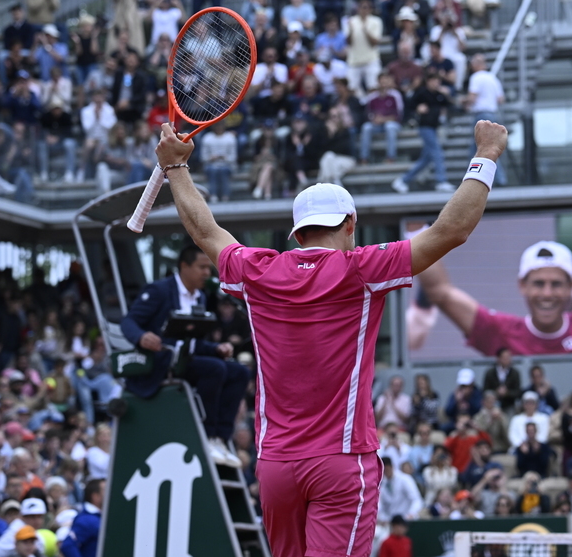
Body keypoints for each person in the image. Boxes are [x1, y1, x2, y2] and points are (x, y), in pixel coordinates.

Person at [152, 115, 507, 557]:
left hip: (276, 465)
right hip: (341, 460)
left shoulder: (259, 271)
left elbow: (206, 231)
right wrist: (486, 156)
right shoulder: (361, 268)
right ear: (351, 224)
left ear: (297, 232)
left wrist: (176, 169)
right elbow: (451, 231)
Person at [120, 245, 248, 466]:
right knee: (215, 369)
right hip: (162, 363)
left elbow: (193, 342)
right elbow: (128, 322)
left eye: (208, 268)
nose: (207, 273)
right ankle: (207, 435)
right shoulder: (159, 290)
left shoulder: (200, 297)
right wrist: (141, 337)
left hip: (187, 361)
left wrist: (216, 349)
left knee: (239, 372)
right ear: (184, 266)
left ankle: (221, 438)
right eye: (202, 267)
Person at [414, 237, 572, 356]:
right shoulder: (500, 331)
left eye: (556, 284)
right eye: (538, 284)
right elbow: (440, 293)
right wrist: (416, 231)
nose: (547, 294)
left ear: (571, 287)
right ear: (522, 285)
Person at [390, 72, 455, 194]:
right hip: (425, 127)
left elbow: (451, 105)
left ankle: (403, 180)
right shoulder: (421, 93)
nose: (436, 83)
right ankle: (441, 181)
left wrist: (448, 95)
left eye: (438, 81)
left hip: (434, 128)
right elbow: (408, 107)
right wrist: (417, 109)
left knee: (426, 159)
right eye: (434, 81)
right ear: (428, 81)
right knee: (437, 152)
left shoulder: (439, 94)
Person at [344, 0, 383, 95]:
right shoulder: (351, 21)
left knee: (374, 87)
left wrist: (365, 30)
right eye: (362, 7)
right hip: (354, 61)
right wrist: (351, 31)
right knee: (351, 89)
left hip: (371, 60)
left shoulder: (376, 21)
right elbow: (348, 42)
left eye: (366, 8)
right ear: (358, 8)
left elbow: (374, 43)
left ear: (370, 9)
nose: (364, 10)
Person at [59, 478, 102, 557]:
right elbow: (68, 546)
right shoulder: (87, 520)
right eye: (105, 491)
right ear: (95, 496)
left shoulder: (99, 517)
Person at [482, 347, 521, 413]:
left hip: (509, 405)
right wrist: (496, 392)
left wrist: (507, 393)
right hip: (492, 406)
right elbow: (485, 390)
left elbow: (518, 392)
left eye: (508, 357)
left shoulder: (515, 373)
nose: (507, 360)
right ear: (498, 358)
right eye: (504, 357)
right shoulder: (490, 373)